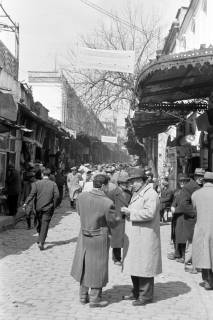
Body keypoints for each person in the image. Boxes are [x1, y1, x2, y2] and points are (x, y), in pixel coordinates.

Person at [71, 174, 116, 308]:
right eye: (107, 185)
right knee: (97, 267)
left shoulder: (82, 197)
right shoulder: (107, 202)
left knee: (84, 265)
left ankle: (83, 295)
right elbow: (112, 222)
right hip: (99, 237)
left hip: (84, 235)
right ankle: (95, 299)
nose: (108, 188)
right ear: (102, 186)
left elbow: (79, 212)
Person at [121, 167, 162, 306]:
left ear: (142, 181)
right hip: (136, 235)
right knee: (135, 264)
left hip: (145, 235)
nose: (132, 184)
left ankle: (145, 296)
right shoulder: (138, 192)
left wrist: (130, 213)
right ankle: (136, 292)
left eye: (135, 181)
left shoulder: (151, 194)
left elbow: (149, 213)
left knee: (145, 266)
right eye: (131, 182)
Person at [23, 168, 59, 250]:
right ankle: (41, 241)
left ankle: (40, 239)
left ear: (42, 175)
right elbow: (57, 196)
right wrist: (54, 205)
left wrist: (25, 203)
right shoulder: (53, 184)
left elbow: (31, 195)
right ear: (49, 176)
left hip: (38, 208)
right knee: (44, 224)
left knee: (40, 223)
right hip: (48, 208)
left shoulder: (36, 184)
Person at [192, 171, 213, 290]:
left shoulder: (196, 194)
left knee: (205, 254)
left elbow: (195, 209)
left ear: (203, 181)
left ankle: (207, 281)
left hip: (202, 228)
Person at [108, 173, 131, 265]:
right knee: (116, 240)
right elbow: (108, 207)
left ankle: (127, 257)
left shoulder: (129, 193)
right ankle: (116, 258)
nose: (125, 184)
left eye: (126, 183)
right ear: (119, 183)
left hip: (127, 219)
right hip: (117, 220)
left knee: (126, 239)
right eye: (123, 183)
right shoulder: (112, 193)